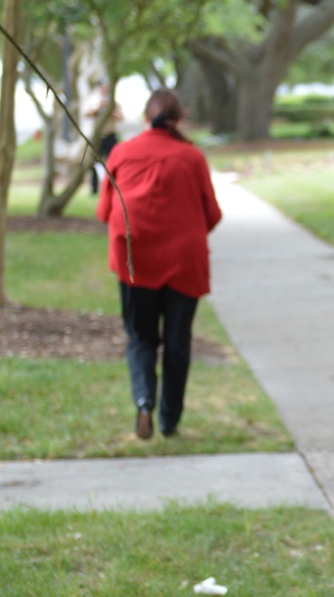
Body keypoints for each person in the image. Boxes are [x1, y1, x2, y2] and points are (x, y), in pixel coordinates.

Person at [96, 88, 221, 440]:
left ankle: (143, 402)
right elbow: (211, 213)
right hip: (184, 261)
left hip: (134, 260)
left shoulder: (122, 153)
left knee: (140, 337)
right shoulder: (191, 157)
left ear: (146, 117)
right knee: (178, 343)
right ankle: (169, 421)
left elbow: (105, 211)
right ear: (178, 119)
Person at [85, 81, 123, 195]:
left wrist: (109, 110)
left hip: (111, 136)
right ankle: (94, 188)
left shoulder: (113, 103)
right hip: (98, 137)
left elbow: (120, 117)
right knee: (94, 162)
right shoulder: (93, 101)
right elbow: (86, 114)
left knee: (114, 161)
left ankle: (114, 186)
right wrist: (98, 107)